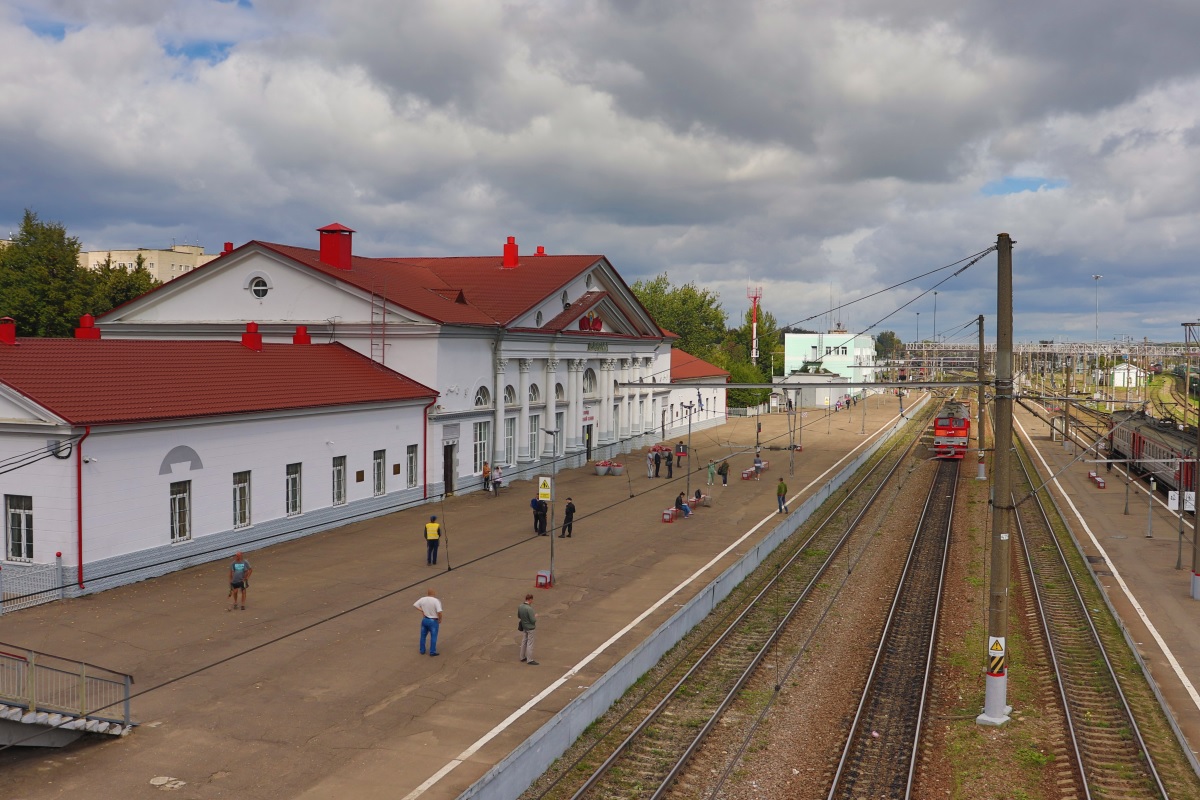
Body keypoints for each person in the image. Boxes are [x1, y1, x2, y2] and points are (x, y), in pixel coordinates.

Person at [413, 588, 442, 656]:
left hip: (425, 620)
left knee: (423, 636)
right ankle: (432, 652)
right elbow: (439, 612)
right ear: (434, 593)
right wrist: (440, 619)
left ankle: (422, 650)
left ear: (428, 593)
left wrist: (422, 610)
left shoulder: (423, 599)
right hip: (433, 621)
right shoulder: (436, 601)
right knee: (433, 636)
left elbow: (415, 605)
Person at [517, 593, 538, 665]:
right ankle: (530, 659)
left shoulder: (520, 606)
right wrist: (535, 616)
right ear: (530, 599)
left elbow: (519, 616)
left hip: (524, 626)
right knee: (530, 643)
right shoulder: (529, 609)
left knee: (524, 641)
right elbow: (533, 620)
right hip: (530, 628)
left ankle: (522, 656)